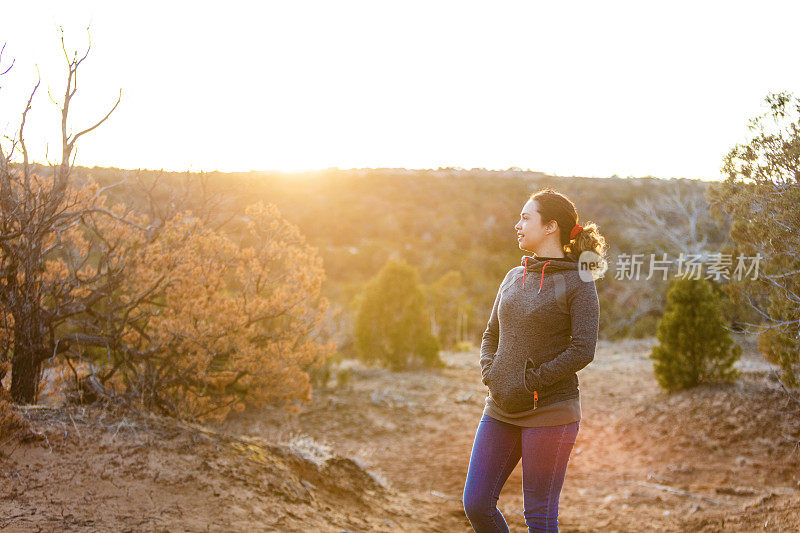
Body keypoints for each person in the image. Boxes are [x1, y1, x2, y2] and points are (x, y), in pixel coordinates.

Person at [462, 187, 606, 532]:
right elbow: (490, 333)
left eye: (526, 218)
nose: (518, 224)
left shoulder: (579, 281)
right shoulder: (514, 276)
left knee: (539, 517)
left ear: (550, 227)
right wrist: (490, 373)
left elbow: (583, 348)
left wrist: (533, 382)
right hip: (500, 407)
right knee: (477, 504)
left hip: (551, 412)